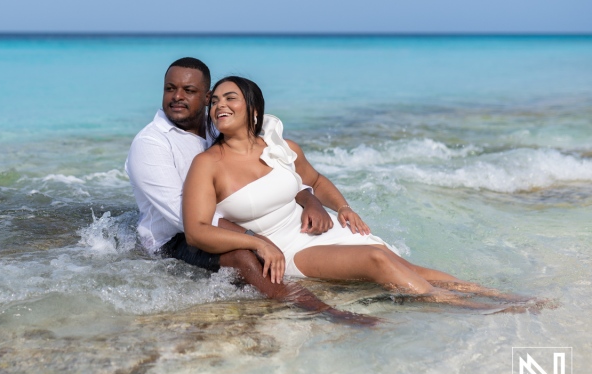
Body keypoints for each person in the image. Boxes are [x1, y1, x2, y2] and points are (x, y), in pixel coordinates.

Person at [183, 76, 530, 308]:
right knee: (377, 260)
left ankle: (500, 297)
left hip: (321, 228)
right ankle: (464, 308)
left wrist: (342, 207)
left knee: (405, 265)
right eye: (214, 101)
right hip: (285, 247)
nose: (218, 106)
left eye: (230, 98)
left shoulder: (282, 147)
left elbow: (315, 181)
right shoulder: (208, 164)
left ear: (253, 109)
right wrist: (258, 243)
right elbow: (197, 231)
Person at [126, 58, 377, 324]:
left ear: (208, 97)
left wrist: (309, 199)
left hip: (236, 221)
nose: (177, 97)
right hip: (174, 238)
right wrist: (256, 239)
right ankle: (323, 311)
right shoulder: (151, 144)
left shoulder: (220, 127)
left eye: (189, 91)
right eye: (170, 88)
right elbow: (186, 220)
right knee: (243, 256)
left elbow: (273, 175)